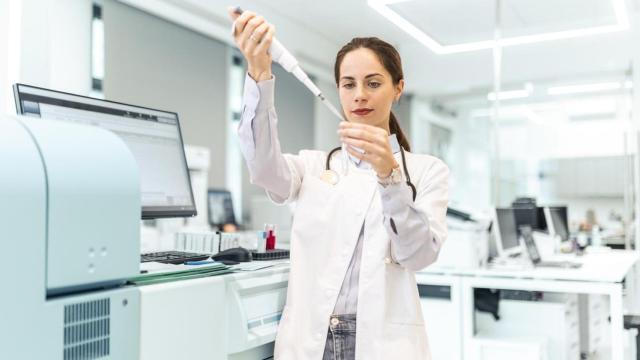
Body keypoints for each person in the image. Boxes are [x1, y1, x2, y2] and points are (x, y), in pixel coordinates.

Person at [229, 9, 449, 360]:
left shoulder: (426, 171)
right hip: (312, 338)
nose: (359, 95)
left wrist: (389, 176)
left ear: (398, 89)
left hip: (379, 343)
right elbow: (264, 168)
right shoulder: (316, 165)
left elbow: (418, 254)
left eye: (373, 83)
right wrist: (259, 72)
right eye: (349, 84)